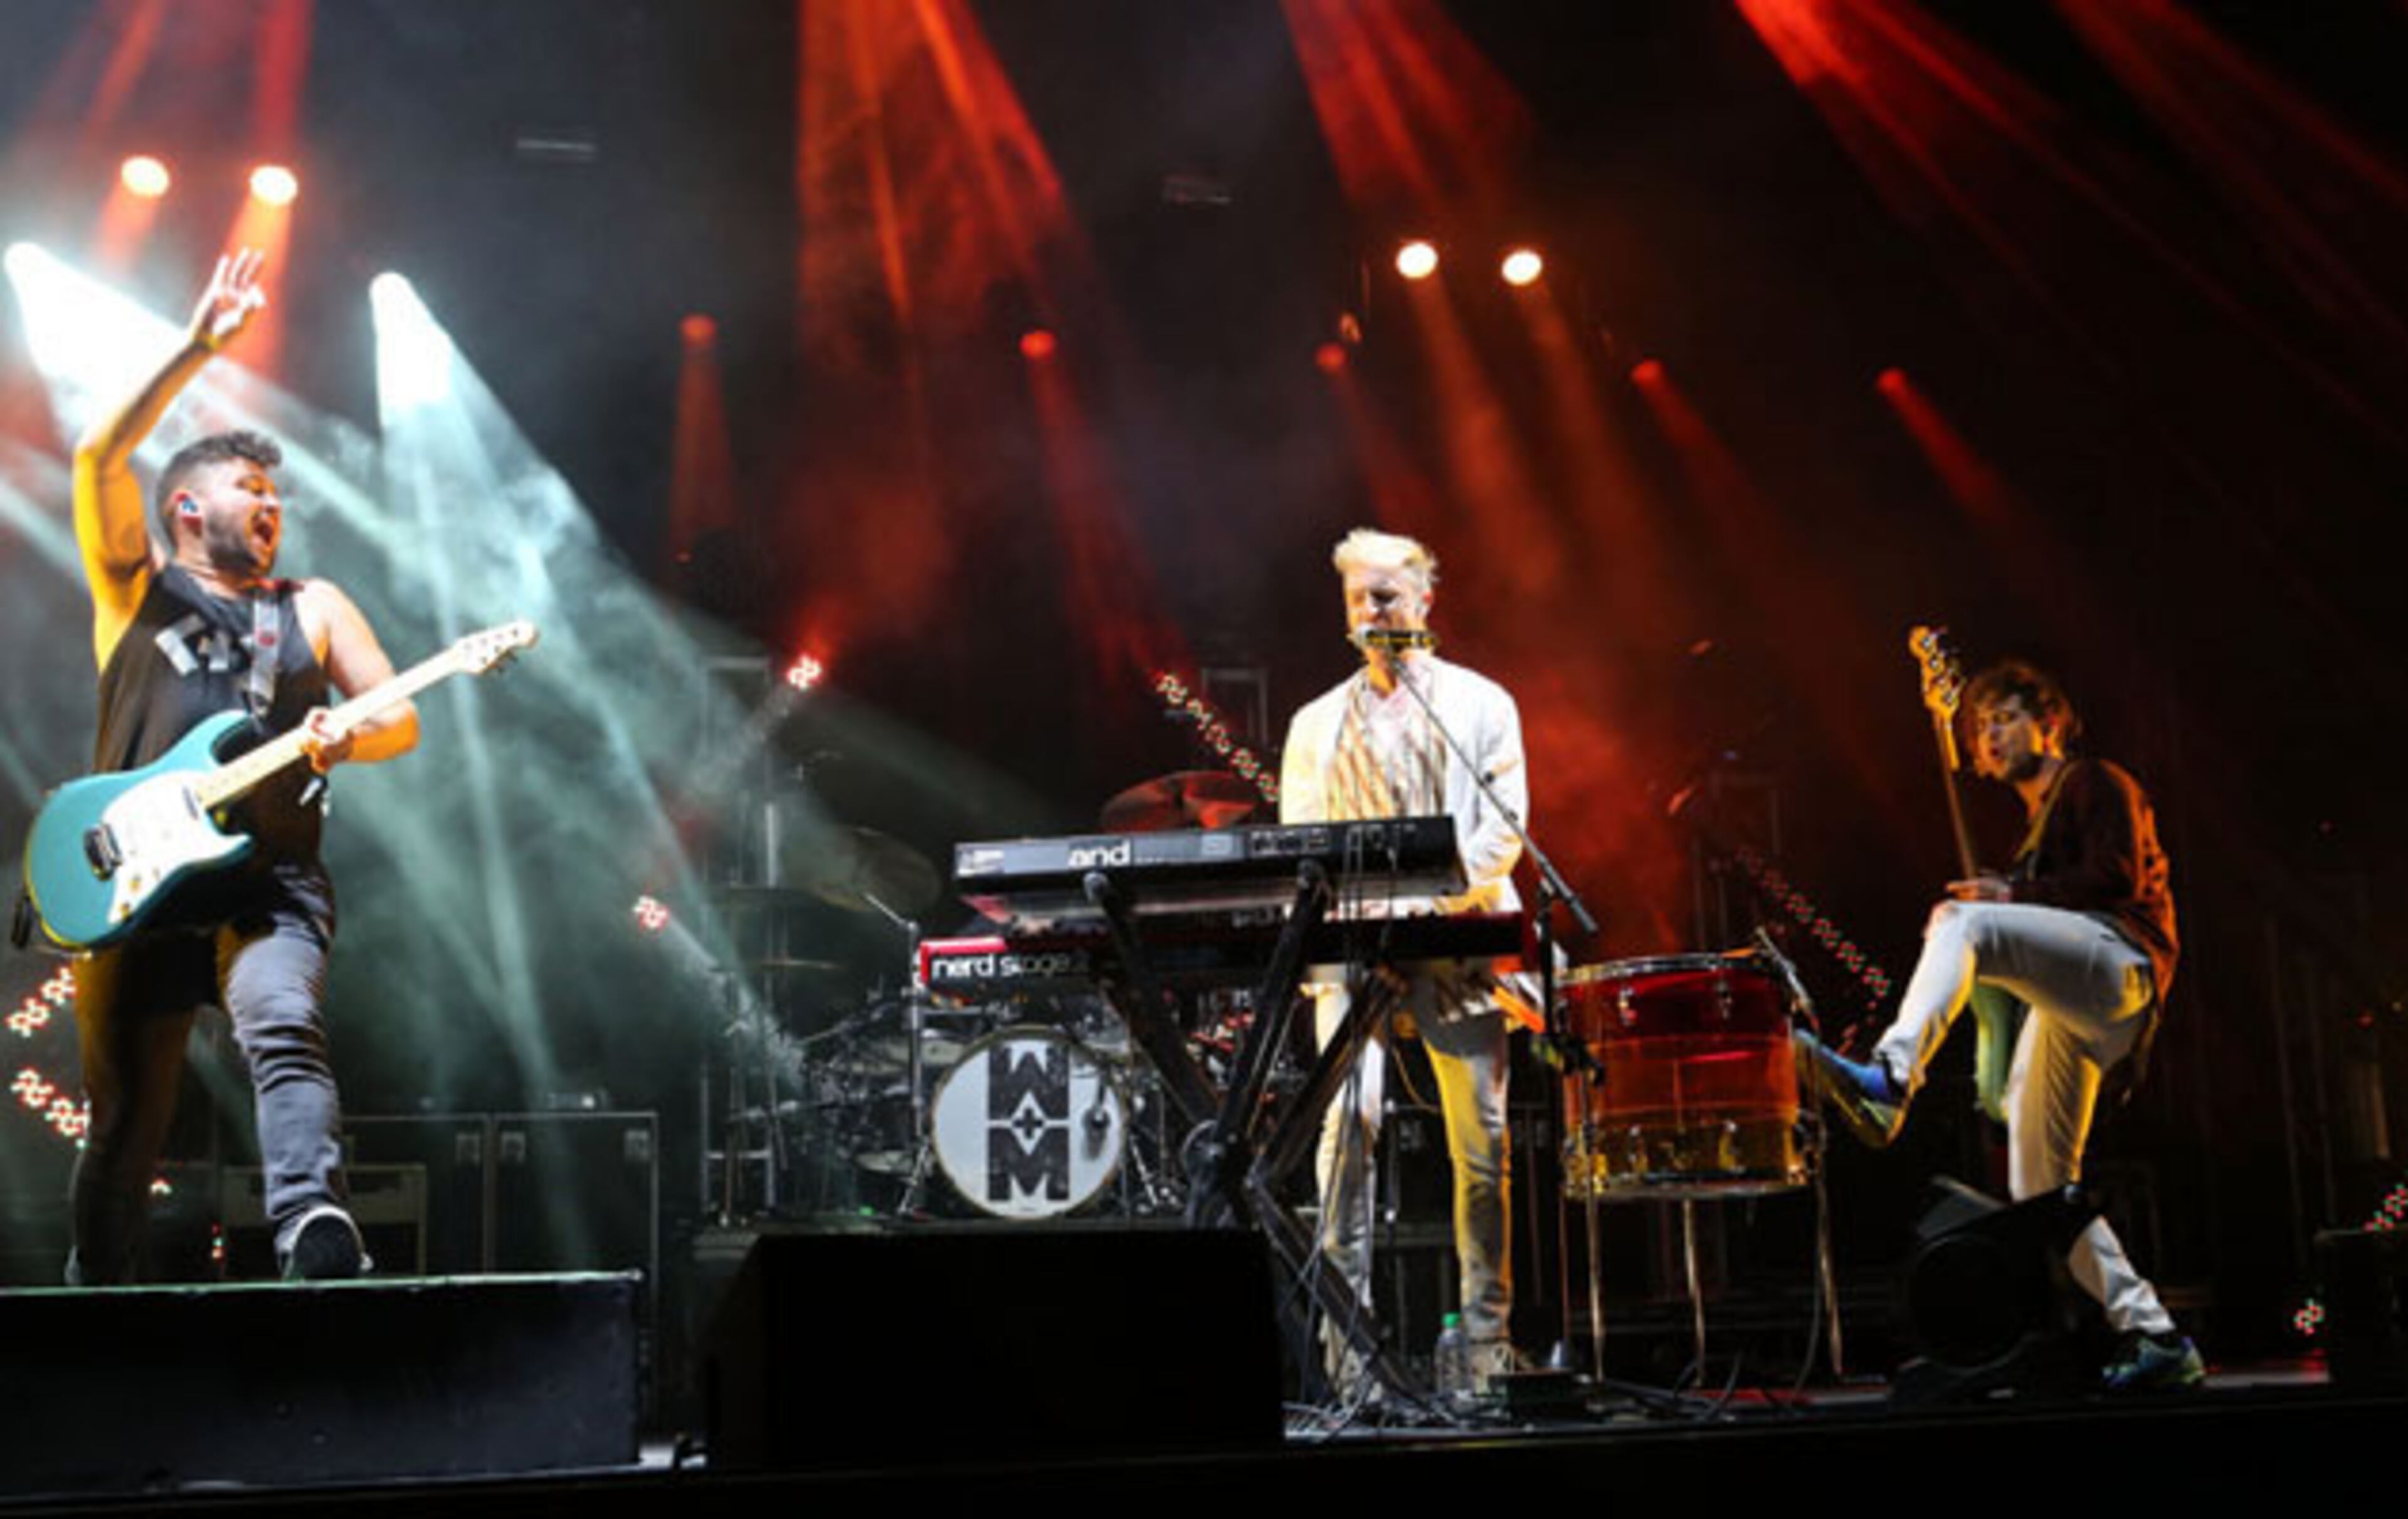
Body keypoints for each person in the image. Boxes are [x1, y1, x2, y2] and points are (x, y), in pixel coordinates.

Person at [65, 251, 420, 1283]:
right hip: (132, 878)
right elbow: (96, 455)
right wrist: (196, 346)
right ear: (186, 507)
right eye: (250, 489)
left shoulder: (310, 603)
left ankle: (313, 1225)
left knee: (283, 1022)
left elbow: (396, 714)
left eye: (277, 494)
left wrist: (349, 734)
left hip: (267, 875)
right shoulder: (135, 588)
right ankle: (99, 1285)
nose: (272, 505)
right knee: (128, 1110)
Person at [1799, 659, 2202, 1390]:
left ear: (2049, 723)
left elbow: (2115, 881)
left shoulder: (2095, 781)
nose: (1989, 732)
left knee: (1962, 919)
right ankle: (2156, 1334)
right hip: (2075, 1001)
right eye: (1982, 724)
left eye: (2005, 716)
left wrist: (2011, 894)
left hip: (2121, 960)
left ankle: (1891, 1078)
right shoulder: (2035, 825)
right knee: (2040, 1184)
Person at [1278, 527, 1524, 1397]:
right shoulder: (1315, 722)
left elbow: (1503, 827)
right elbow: (1301, 843)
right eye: (1358, 599)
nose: (1372, 612)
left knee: (1483, 1144)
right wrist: (1359, 918)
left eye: (1387, 596)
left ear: (1424, 601)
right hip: (1354, 953)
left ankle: (1489, 1348)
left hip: (1457, 940)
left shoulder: (1484, 704)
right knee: (1350, 1132)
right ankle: (1354, 1360)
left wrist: (1433, 902)